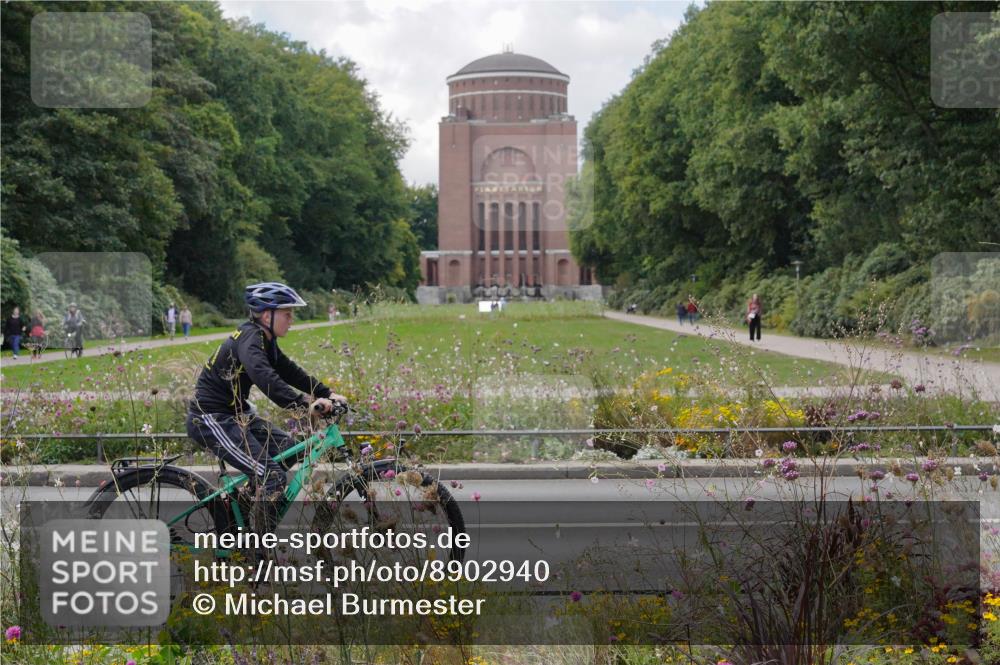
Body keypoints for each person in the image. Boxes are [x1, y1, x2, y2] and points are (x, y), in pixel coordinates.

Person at [186, 282, 347, 533]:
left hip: (236, 417)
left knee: (290, 450)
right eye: (287, 313)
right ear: (266, 314)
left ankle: (239, 512)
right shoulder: (250, 339)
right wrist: (305, 403)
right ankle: (259, 552)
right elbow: (264, 376)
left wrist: (326, 393)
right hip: (211, 419)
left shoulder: (265, 339)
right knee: (271, 477)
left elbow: (289, 370)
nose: (291, 319)